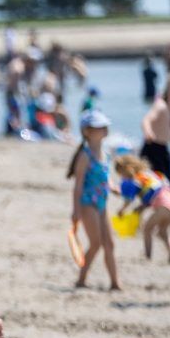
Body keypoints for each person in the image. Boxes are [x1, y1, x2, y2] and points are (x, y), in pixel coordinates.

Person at [67, 110, 121, 290]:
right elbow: (78, 185)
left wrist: (113, 187)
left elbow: (106, 176)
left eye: (104, 126)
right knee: (96, 243)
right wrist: (75, 211)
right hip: (87, 203)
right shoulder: (85, 155)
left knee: (109, 244)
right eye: (98, 127)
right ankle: (81, 279)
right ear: (87, 131)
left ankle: (115, 283)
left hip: (102, 202)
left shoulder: (105, 153)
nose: (103, 129)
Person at [114, 154, 170, 262]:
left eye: (121, 174)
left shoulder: (134, 179)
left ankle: (147, 256)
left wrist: (122, 210)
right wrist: (141, 207)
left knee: (147, 229)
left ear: (126, 169)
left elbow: (128, 200)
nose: (122, 177)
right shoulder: (150, 174)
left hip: (163, 203)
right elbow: (152, 194)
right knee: (163, 231)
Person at [140, 89, 170, 192]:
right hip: (153, 148)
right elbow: (146, 119)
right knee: (163, 184)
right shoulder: (161, 105)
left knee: (168, 183)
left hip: (162, 149)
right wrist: (148, 131)